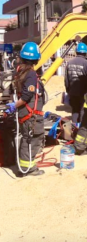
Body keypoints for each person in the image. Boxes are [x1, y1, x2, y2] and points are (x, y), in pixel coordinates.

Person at [5, 42, 46, 177]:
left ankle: (26, 165)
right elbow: (28, 95)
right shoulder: (31, 74)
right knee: (34, 137)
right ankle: (27, 168)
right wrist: (14, 105)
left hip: (26, 112)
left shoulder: (20, 71)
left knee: (28, 137)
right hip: (31, 113)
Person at [64, 42, 87, 125]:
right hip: (84, 92)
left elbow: (66, 79)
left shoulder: (69, 63)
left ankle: (74, 127)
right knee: (82, 110)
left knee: (75, 110)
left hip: (73, 91)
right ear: (85, 52)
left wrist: (68, 90)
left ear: (76, 52)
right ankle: (81, 130)